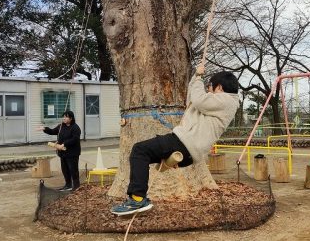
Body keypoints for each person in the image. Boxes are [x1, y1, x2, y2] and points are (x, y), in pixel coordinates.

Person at [111, 65, 240, 216]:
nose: (207, 90)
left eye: (209, 86)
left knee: (140, 150)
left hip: (184, 143)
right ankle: (137, 198)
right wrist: (195, 79)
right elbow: (192, 100)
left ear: (219, 87)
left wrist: (199, 78)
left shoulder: (227, 101)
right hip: (187, 147)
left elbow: (198, 100)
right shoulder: (216, 103)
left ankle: (137, 199)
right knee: (142, 155)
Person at [39, 110, 82, 191]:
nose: (64, 118)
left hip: (72, 153)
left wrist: (64, 144)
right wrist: (45, 128)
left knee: (73, 170)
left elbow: (75, 139)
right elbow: (52, 131)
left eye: (66, 117)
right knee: (65, 170)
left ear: (71, 118)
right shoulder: (61, 126)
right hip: (63, 153)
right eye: (64, 117)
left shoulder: (75, 128)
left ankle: (76, 186)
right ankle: (68, 184)